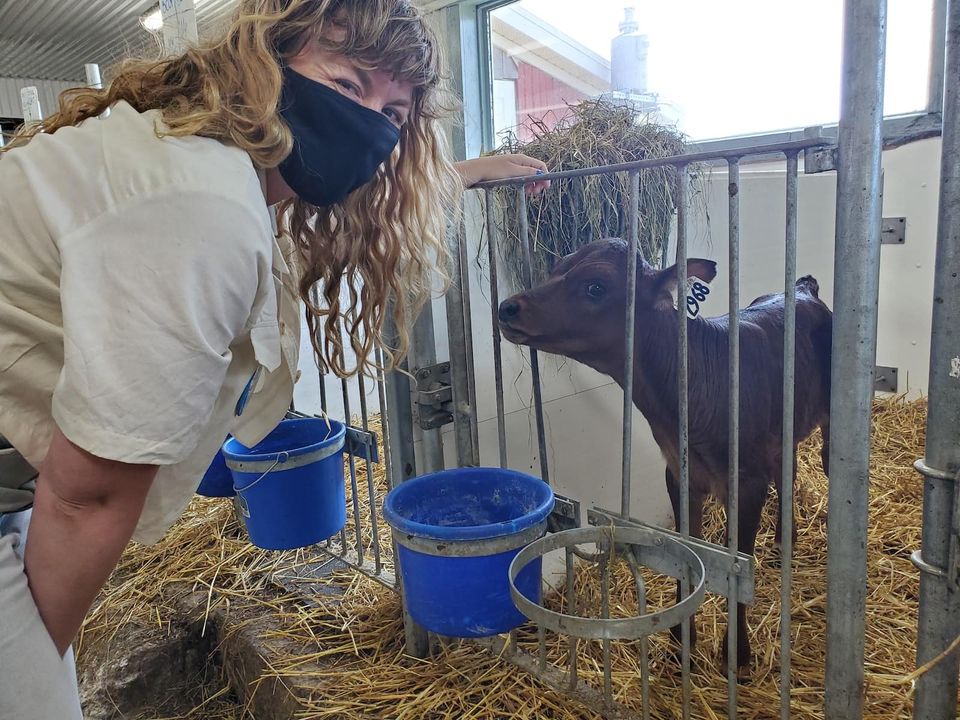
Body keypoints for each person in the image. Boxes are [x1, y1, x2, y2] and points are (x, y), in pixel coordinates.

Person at [0, 1, 549, 716]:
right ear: (265, 58)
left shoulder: (202, 154)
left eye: (394, 112)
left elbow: (327, 224)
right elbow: (87, 497)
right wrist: (36, 674)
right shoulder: (199, 202)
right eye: (346, 84)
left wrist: (459, 173)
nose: (366, 123)